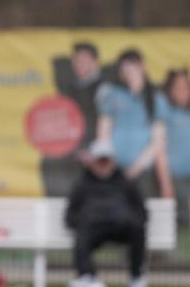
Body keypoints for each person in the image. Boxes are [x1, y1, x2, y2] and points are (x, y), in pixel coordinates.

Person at [65, 139, 148, 287]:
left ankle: (136, 281)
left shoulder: (125, 182)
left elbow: (140, 208)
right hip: (93, 228)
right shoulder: (82, 184)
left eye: (106, 160)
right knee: (82, 236)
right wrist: (79, 221)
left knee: (138, 229)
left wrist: (135, 219)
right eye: (99, 160)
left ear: (113, 161)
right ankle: (88, 278)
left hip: (122, 226)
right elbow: (70, 213)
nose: (103, 164)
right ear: (92, 162)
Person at [95, 49, 170, 199]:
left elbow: (158, 142)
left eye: (131, 66)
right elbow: (103, 133)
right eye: (124, 67)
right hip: (114, 169)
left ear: (142, 66)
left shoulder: (156, 99)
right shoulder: (113, 95)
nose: (128, 71)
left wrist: (134, 169)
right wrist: (108, 163)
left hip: (143, 172)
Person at [44, 42, 105, 196]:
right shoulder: (68, 90)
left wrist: (92, 151)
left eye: (84, 60)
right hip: (71, 156)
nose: (79, 65)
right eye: (76, 60)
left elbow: (104, 124)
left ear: (95, 62)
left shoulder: (104, 89)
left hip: (94, 156)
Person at [161, 68, 190, 228]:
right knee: (179, 220)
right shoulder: (165, 112)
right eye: (177, 87)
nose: (182, 92)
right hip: (173, 177)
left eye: (186, 87)